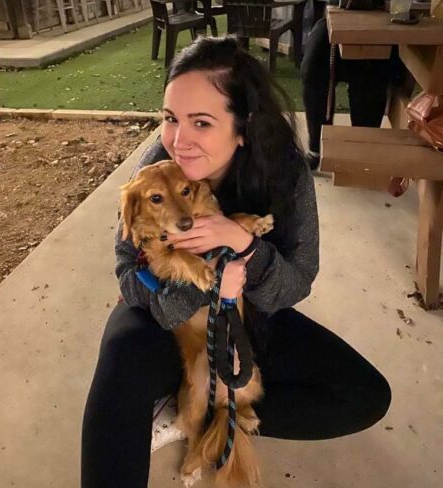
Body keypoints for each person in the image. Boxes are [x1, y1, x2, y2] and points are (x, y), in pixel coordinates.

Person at [81, 36, 391, 488]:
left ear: (243, 127)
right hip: (163, 318)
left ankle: (201, 414)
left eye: (201, 122)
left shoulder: (285, 172)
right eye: (170, 118)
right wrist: (199, 284)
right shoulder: (157, 166)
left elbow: (297, 281)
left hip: (247, 320)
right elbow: (128, 274)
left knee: (365, 396)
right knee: (122, 356)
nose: (179, 141)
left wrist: (245, 247)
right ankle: (176, 400)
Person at [301, 16, 397, 171]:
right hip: (338, 18)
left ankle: (363, 147)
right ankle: (316, 147)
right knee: (313, 65)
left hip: (384, 25)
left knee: (372, 70)